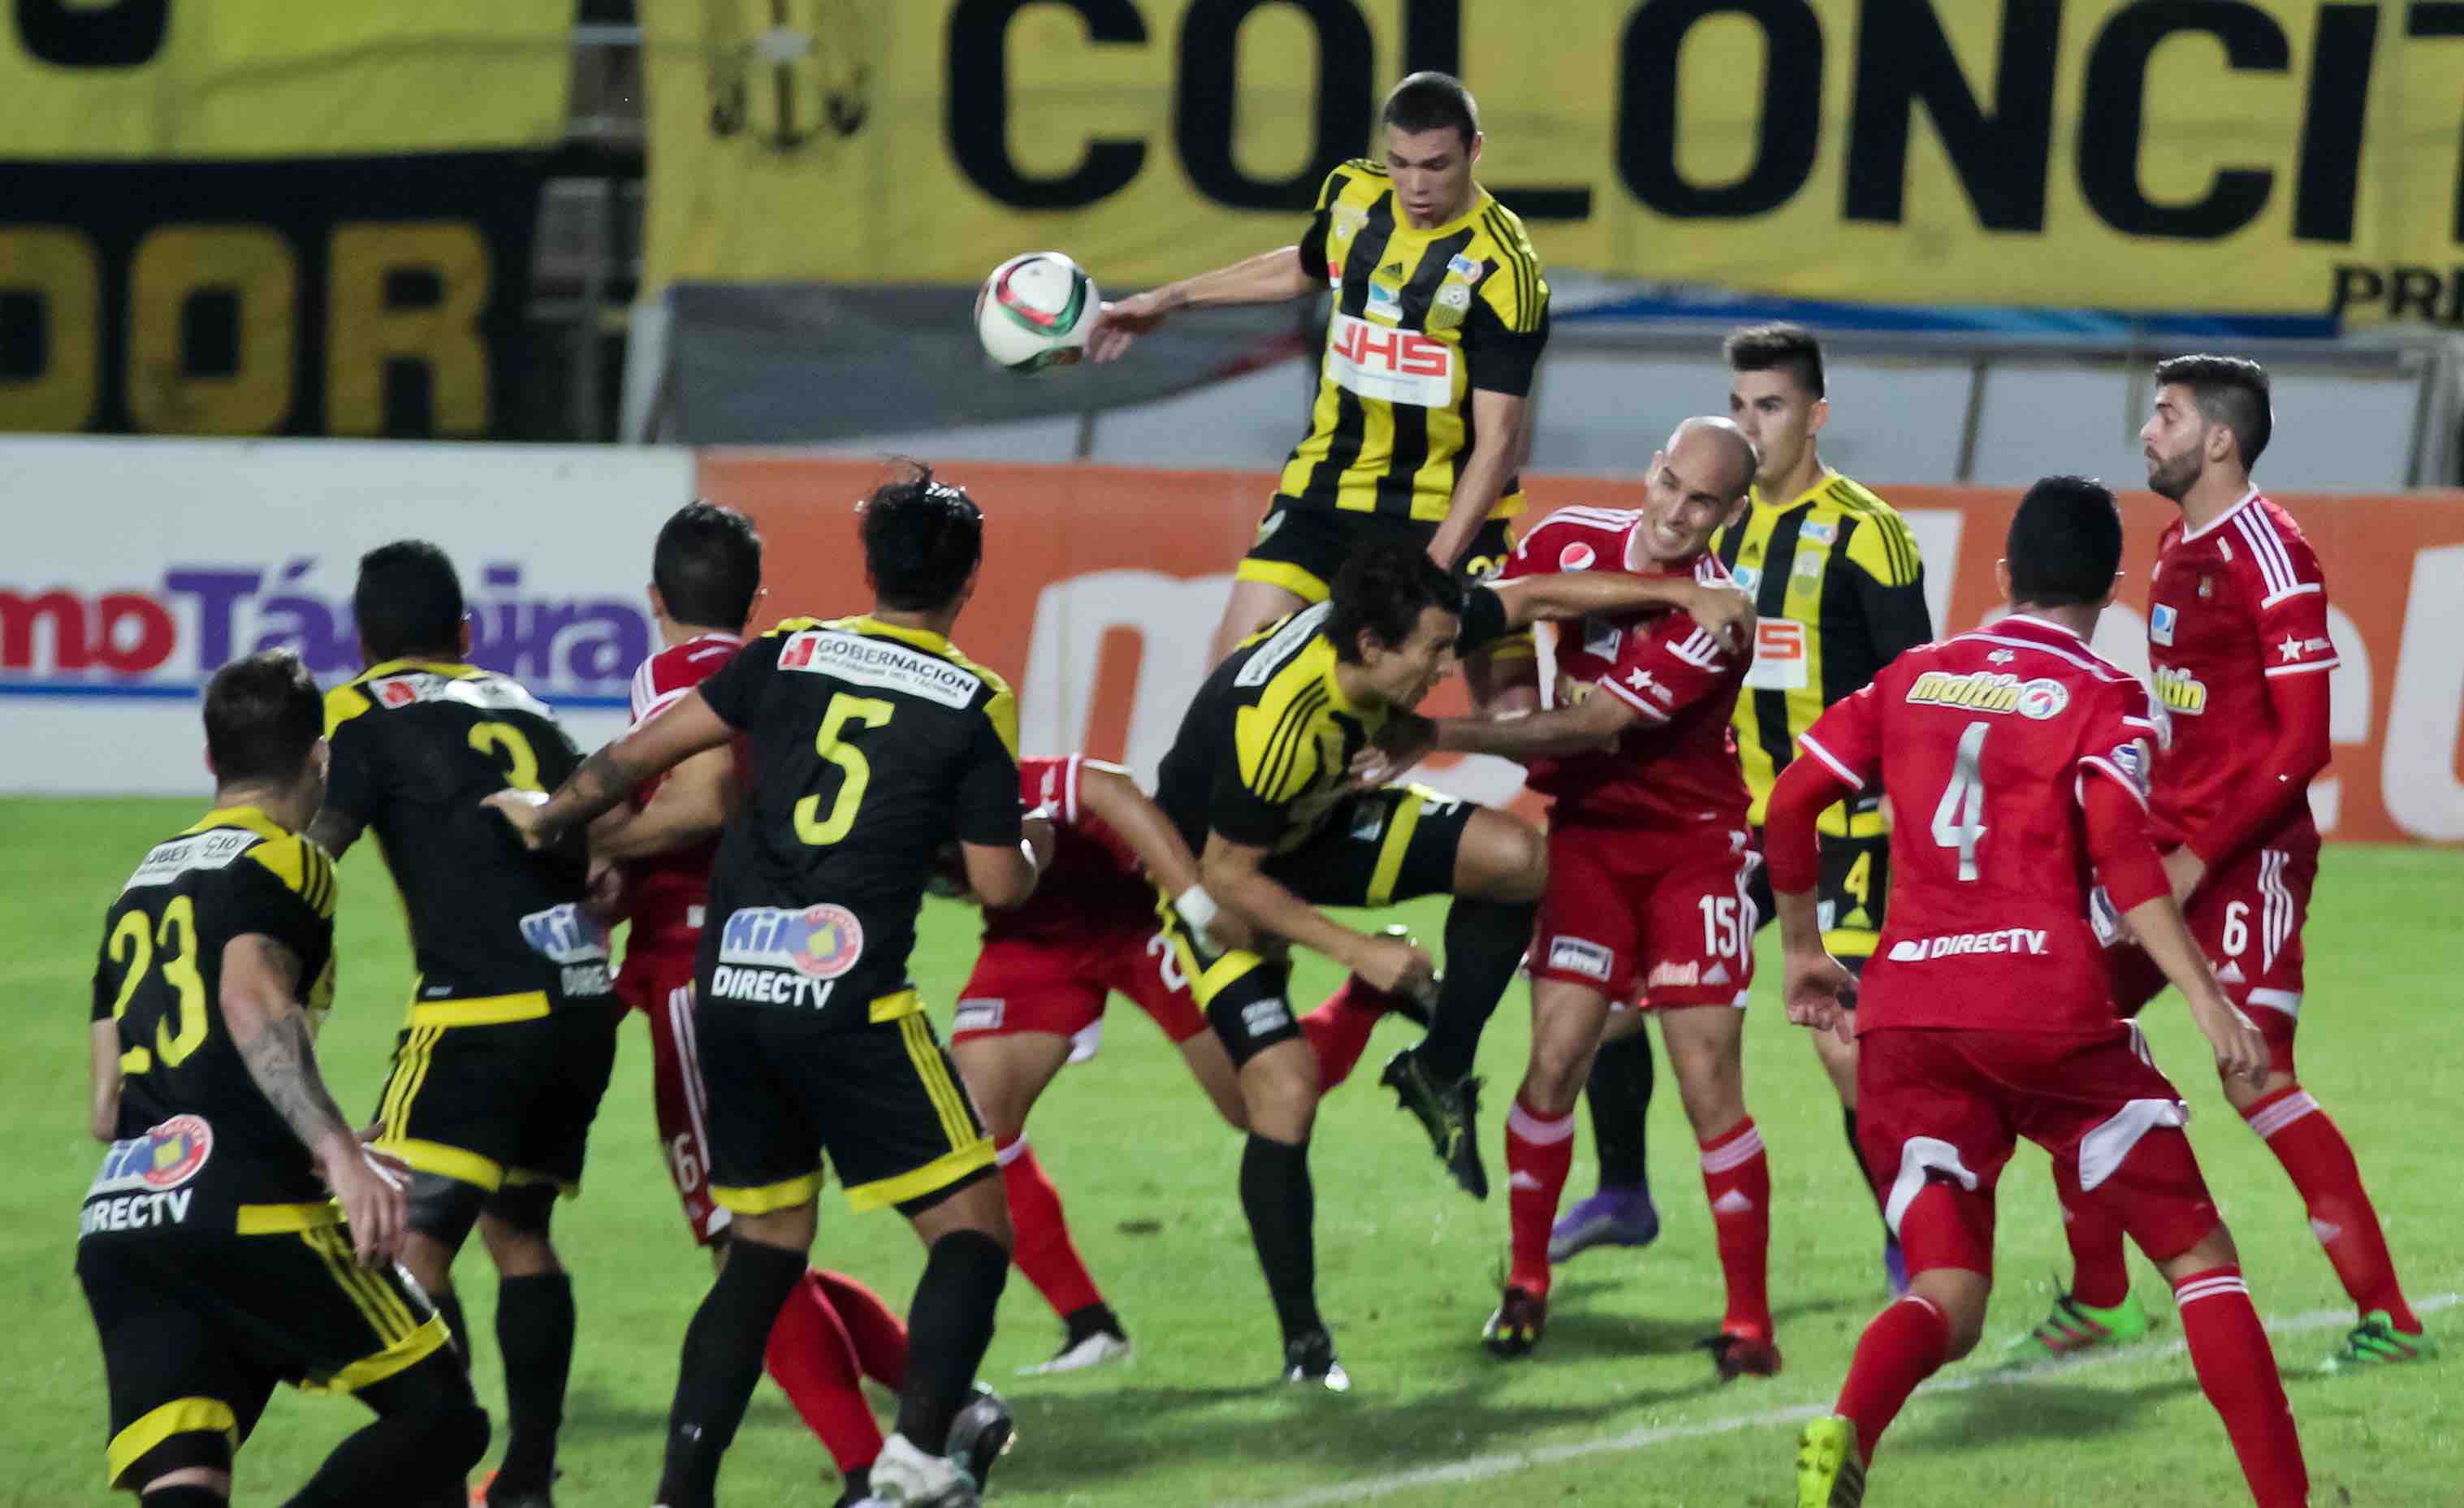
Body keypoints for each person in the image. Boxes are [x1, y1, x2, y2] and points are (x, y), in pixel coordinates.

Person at [490, 465, 1047, 1508]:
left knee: (761, 1251)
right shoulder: (975, 700)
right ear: (969, 580)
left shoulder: (787, 650)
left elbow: (633, 758)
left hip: (731, 990)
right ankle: (915, 1466)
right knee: (972, 1232)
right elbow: (999, 885)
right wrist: (1035, 840)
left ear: (868, 567)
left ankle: (681, 1494)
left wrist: (548, 816)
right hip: (849, 999)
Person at [1775, 475, 2306, 1508]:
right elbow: (2121, 856)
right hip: (2044, 1012)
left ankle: (1847, 1428)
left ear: (2003, 572)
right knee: (2200, 1257)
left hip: (1910, 1018)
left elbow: (1793, 801)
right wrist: (2205, 998)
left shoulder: (1911, 676)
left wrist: (1803, 946)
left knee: (1947, 1296)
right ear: (2111, 589)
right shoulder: (2107, 699)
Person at [1147, 538, 1753, 1386]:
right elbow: (1226, 872)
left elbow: (1537, 595)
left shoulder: (1395, 626)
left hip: (1320, 823)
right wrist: (1355, 951)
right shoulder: (1277, 725)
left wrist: (1681, 596)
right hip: (1216, 871)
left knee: (1517, 862)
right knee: (1279, 1095)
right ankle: (1305, 1347)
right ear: (1369, 648)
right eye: (1432, 653)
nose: (1445, 665)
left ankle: (1439, 1066)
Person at [2015, 356, 2432, 1370]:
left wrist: (2198, 860)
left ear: (2218, 440)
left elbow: (2302, 746)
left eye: (2164, 417)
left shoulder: (2272, 554)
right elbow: (2187, 722)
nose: (2146, 432)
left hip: (2251, 857)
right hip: (2173, 848)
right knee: (2062, 1035)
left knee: (2256, 1078)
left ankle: (2390, 1318)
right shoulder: (2171, 545)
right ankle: (2107, 1297)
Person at [1367, 418, 1780, 1377]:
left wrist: (1434, 735)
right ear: (1650, 466)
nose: (1677, 512)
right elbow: (1497, 610)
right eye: (1670, 484)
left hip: (1692, 854)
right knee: (1553, 1060)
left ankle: (1748, 1322)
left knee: (1709, 1085)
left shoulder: (1719, 615)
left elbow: (1592, 727)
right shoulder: (1566, 539)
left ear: (1734, 511)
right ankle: (1525, 1284)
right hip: (1588, 845)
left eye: (1703, 502)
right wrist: (1502, 693)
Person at [1558, 325, 1931, 1299]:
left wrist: (1906, 810)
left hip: (1845, 828)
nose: (1751, 425)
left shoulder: (1866, 531)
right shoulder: (1709, 524)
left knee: (1840, 1044)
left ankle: (1906, 1236)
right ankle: (1624, 1192)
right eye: (1737, 405)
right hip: (1732, 825)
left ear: (1814, 415)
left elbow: (1913, 687)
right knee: (1603, 997)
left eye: (1769, 407)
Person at [79, 650, 488, 1508]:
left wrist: (282, 1133)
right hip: (247, 1211)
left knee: (187, 1475)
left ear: (210, 760)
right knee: (441, 1413)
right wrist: (336, 1150)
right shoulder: (288, 861)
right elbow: (249, 997)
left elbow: (106, 1100)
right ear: (320, 758)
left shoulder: (142, 880)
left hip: (125, 1221)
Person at [308, 542, 622, 1508]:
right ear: (466, 633)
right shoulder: (525, 703)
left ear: (362, 642)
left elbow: (317, 851)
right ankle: (526, 1475)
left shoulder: (357, 710)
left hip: (477, 1016)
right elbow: (606, 862)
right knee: (519, 1229)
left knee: (404, 1245)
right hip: (578, 1003)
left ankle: (436, 1473)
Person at [946, 752, 1427, 1373]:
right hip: (1037, 936)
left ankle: (1366, 997)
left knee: (1259, 1101)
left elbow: (1105, 786)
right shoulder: (852, 805)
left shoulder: (950, 768)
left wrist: (1198, 903)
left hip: (1145, 910)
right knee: (974, 1125)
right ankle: (1088, 1325)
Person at [1089, 71, 1550, 711]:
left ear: (1474, 151)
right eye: (1401, 163)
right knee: (1230, 693)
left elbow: (1498, 444)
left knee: (1515, 712)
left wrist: (1433, 567)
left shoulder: (1505, 269)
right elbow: (1307, 265)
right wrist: (1170, 298)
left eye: (1437, 165)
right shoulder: (1353, 193)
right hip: (1325, 493)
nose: (1415, 185)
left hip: (1443, 514)